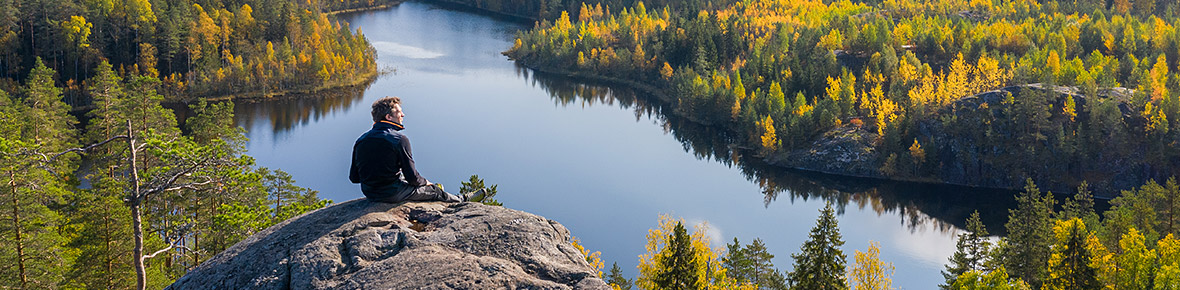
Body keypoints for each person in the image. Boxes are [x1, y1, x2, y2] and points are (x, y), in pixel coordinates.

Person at [349, 96, 481, 203]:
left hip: (370, 192)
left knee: (409, 182)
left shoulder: (361, 140)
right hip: (391, 194)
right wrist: (426, 183)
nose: (403, 115)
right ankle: (462, 200)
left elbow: (354, 178)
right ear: (388, 117)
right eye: (399, 112)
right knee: (434, 191)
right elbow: (412, 178)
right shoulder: (399, 140)